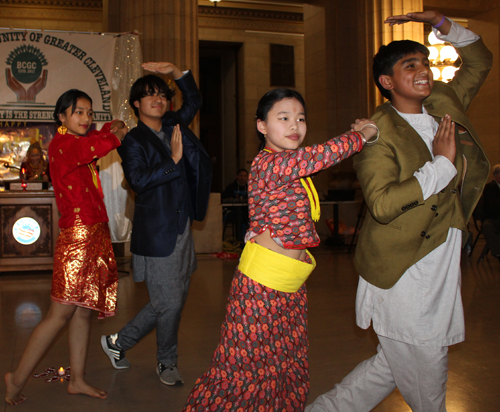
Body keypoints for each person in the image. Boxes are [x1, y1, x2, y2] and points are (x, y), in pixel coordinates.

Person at [306, 11, 492, 412]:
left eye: (425, 62)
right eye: (411, 65)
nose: (424, 70)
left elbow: (480, 61)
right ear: (387, 82)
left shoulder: (443, 101)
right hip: (404, 268)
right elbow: (383, 204)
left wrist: (443, 23)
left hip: (441, 254)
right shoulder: (376, 132)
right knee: (427, 362)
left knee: (388, 367)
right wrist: (441, 165)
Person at [183, 88, 377, 411]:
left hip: (289, 285)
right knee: (241, 371)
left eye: (300, 119)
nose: (295, 126)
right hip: (261, 287)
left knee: (284, 364)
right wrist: (362, 134)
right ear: (262, 126)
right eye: (283, 118)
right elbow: (321, 155)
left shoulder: (291, 168)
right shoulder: (270, 164)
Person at [4, 89, 128, 405]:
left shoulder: (76, 144)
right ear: (62, 117)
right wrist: (113, 136)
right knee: (60, 313)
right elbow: (91, 147)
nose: (86, 118)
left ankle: (78, 380)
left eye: (89, 112)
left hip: (95, 232)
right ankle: (16, 379)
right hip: (77, 237)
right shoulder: (62, 145)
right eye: (79, 112)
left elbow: (93, 143)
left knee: (83, 312)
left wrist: (109, 127)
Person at [100, 62, 211, 386]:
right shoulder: (133, 140)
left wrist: (177, 72)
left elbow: (194, 100)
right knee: (169, 302)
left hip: (183, 227)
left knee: (172, 299)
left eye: (162, 94)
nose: (158, 100)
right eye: (149, 95)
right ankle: (166, 363)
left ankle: (118, 343)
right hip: (158, 233)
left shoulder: (174, 124)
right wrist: (173, 161)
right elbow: (137, 180)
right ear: (136, 103)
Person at [480, 164, 500, 259]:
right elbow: (491, 207)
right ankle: (498, 253)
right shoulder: (489, 187)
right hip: (492, 218)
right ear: (497, 175)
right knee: (488, 226)